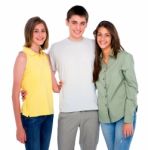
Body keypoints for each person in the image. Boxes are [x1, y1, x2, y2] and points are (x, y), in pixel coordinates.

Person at [49, 5, 99, 150]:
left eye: (82, 23)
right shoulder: (56, 48)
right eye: (74, 22)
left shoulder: (94, 45)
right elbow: (47, 73)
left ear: (86, 24)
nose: (78, 27)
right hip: (67, 110)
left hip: (91, 110)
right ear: (67, 22)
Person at [12, 16, 60, 150]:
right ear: (29, 33)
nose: (40, 34)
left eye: (43, 31)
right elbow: (14, 94)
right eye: (36, 31)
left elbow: (55, 88)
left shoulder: (46, 57)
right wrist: (19, 127)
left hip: (48, 115)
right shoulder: (23, 57)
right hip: (31, 118)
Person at [93, 20, 138, 150]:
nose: (102, 38)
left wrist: (128, 120)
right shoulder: (96, 61)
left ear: (113, 36)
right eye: (99, 34)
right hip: (105, 118)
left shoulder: (125, 58)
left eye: (107, 35)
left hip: (123, 116)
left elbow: (132, 88)